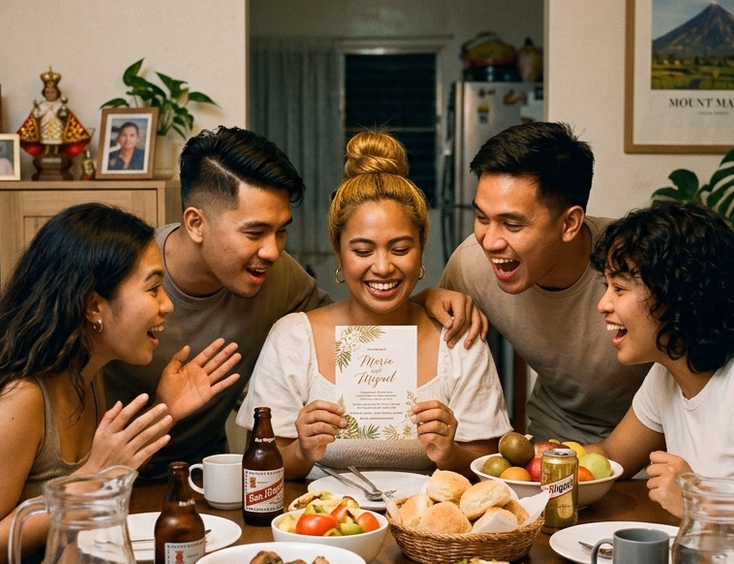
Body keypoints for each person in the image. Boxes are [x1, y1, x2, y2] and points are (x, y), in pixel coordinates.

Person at [104, 126, 488, 481]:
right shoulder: (117, 275)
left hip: (203, 474)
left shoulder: (275, 275)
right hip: (104, 468)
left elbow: (361, 312)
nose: (272, 251)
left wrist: (424, 300)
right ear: (195, 223)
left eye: (281, 230)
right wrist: (163, 412)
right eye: (255, 232)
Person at [236, 130, 512, 479]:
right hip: (323, 524)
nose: (382, 267)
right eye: (363, 251)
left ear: (422, 247)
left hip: (427, 522)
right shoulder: (293, 338)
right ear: (338, 252)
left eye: (400, 249)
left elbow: (487, 467)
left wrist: (450, 452)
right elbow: (260, 467)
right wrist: (302, 451)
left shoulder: (457, 338)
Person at [0, 203, 241, 562]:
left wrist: (164, 413)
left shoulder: (88, 374)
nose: (167, 305)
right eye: (154, 288)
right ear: (94, 307)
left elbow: (108, 479)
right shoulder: (23, 399)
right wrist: (89, 480)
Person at [440, 121, 652, 444]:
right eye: (482, 218)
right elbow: (428, 349)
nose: (490, 241)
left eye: (511, 224)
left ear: (569, 224)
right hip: (549, 441)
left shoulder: (636, 263)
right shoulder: (471, 264)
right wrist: (428, 299)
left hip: (653, 442)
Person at [586, 201, 734, 518]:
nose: (603, 304)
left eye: (619, 288)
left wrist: (697, 503)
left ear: (676, 294)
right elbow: (611, 456)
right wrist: (533, 464)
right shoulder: (665, 375)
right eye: (607, 286)